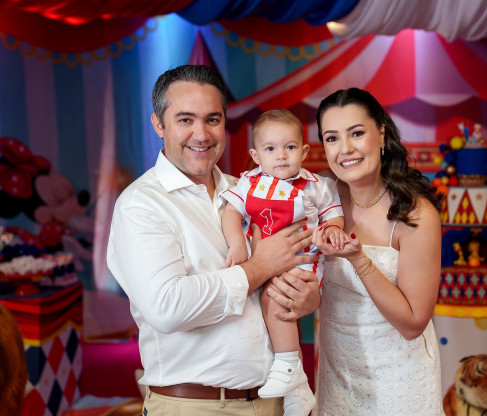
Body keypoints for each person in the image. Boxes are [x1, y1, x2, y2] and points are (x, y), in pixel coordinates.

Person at [106, 64, 321, 416]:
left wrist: (306, 298)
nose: (201, 134)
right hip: (194, 405)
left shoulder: (248, 191)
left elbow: (290, 271)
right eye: (185, 119)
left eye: (212, 119)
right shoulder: (141, 203)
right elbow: (167, 307)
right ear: (159, 124)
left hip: (272, 401)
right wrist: (259, 267)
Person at [311, 88, 445, 415]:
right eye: (332, 138)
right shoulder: (318, 195)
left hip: (400, 379)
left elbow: (413, 323)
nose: (345, 149)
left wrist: (359, 260)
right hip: (337, 373)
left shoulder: (414, 213)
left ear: (381, 134)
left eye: (356, 133)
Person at [221, 109, 347, 416]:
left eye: (290, 147)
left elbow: (334, 215)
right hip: (263, 259)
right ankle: (297, 390)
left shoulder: (318, 185)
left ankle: (289, 365)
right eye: (270, 149)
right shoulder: (248, 183)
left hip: (302, 262)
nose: (281, 155)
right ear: (255, 155)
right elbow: (231, 213)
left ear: (303, 151)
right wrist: (237, 243)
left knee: (276, 299)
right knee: (266, 304)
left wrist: (333, 231)